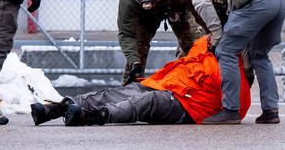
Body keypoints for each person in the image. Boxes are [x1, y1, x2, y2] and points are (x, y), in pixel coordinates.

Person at [30, 36, 251, 126]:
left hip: (185, 105)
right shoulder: (203, 43)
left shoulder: (233, 70)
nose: (214, 36)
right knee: (116, 93)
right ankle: (55, 109)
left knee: (146, 102)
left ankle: (90, 117)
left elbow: (237, 109)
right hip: (163, 84)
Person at [201, 0, 285, 125]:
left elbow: (202, 4)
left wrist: (216, 34)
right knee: (259, 54)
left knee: (226, 50)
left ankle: (230, 110)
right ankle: (271, 111)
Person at [117, 0, 208, 85]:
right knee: (137, 50)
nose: (151, 5)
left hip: (178, 7)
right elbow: (126, 33)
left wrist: (211, 33)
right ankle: (128, 92)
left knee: (195, 45)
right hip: (147, 16)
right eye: (146, 3)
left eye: (153, 2)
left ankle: (193, 84)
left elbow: (199, 13)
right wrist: (134, 60)